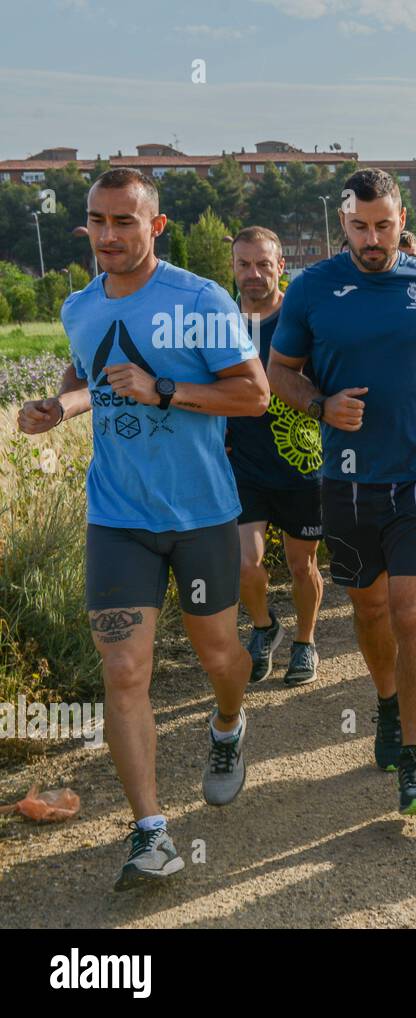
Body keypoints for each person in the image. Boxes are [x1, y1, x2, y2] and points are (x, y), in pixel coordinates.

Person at [17, 167, 269, 891]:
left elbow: (252, 395)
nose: (109, 235)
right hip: (117, 517)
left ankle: (227, 726)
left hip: (201, 515)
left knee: (222, 656)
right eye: (98, 221)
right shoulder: (79, 305)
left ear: (155, 226)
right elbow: (87, 377)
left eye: (125, 221)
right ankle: (151, 834)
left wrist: (164, 389)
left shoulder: (199, 299)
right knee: (124, 670)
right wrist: (56, 410)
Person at [267, 168, 416, 815]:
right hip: (345, 479)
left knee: (410, 611)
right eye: (360, 226)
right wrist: (319, 403)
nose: (373, 237)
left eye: (384, 225)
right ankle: (388, 704)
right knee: (368, 611)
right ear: (342, 223)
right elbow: (279, 372)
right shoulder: (312, 290)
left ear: (403, 221)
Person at [227, 226, 324, 687]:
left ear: (281, 266)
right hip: (245, 466)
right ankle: (265, 628)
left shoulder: (303, 318)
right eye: (244, 264)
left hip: (303, 462)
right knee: (247, 563)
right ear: (232, 268)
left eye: (263, 264)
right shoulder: (221, 324)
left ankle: (305, 642)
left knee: (303, 565)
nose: (253, 273)